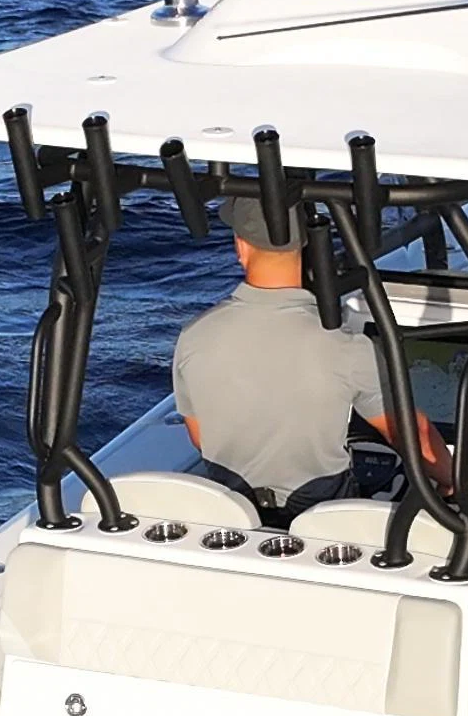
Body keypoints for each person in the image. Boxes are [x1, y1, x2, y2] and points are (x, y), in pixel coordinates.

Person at [170, 220, 413, 513]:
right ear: (306, 249)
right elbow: (412, 438)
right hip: (322, 524)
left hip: (234, 520)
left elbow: (201, 439)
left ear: (240, 246)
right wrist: (452, 483)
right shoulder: (348, 345)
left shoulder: (193, 335)